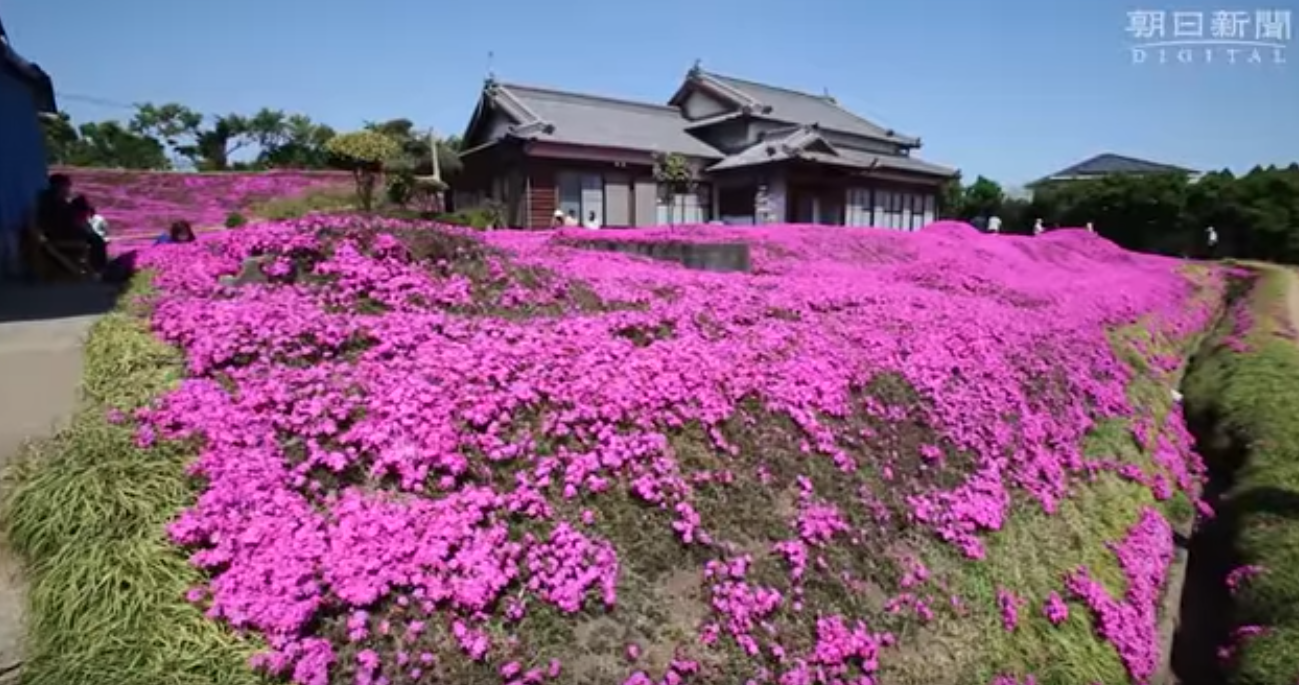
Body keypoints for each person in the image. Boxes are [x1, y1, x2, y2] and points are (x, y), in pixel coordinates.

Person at [69, 195, 109, 271]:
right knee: (97, 241)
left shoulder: (81, 217)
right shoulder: (75, 217)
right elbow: (80, 229)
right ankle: (98, 267)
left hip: (83, 236)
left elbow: (87, 229)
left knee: (98, 240)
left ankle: (99, 266)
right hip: (76, 237)